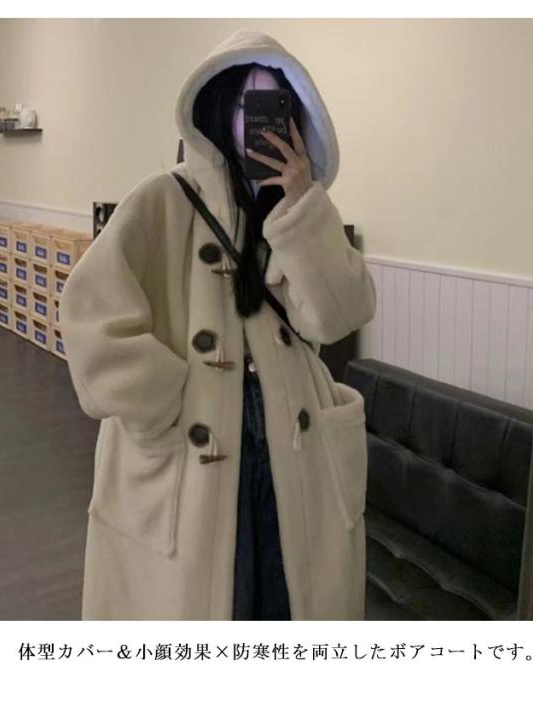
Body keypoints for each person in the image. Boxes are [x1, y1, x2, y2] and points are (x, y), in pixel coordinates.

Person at [59, 27, 377, 621]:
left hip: (292, 456)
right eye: (250, 106)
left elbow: (341, 315)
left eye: (277, 108)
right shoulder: (162, 199)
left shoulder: (295, 214)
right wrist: (164, 404)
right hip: (192, 460)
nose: (263, 125)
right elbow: (89, 319)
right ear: (219, 109)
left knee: (282, 607)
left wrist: (302, 207)